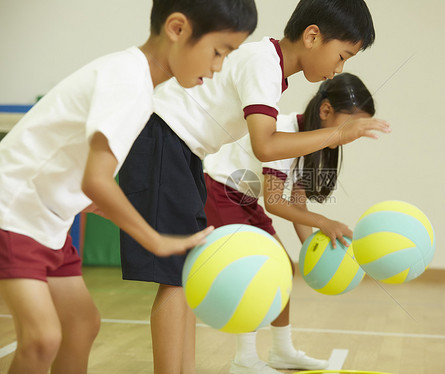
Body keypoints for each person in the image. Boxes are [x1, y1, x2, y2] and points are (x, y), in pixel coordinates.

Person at [120, 1, 390, 373]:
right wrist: (338, 134)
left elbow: (283, 176)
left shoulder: (271, 69)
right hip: (164, 139)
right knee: (175, 280)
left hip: (182, 152)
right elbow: (265, 145)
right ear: (313, 36)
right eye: (341, 56)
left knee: (182, 278)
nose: (337, 70)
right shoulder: (264, 63)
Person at [0, 0, 257, 373]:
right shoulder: (126, 78)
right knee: (42, 339)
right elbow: (97, 178)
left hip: (47, 220)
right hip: (15, 212)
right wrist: (154, 238)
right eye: (218, 52)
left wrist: (84, 200)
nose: (218, 68)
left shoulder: (139, 85)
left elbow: (74, 161)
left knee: (82, 324)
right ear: (177, 29)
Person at [204, 73, 376, 373]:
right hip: (219, 190)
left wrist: (311, 247)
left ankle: (282, 351)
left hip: (242, 197)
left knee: (283, 266)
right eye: (350, 128)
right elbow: (274, 201)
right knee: (253, 273)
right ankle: (244, 360)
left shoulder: (310, 141)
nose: (351, 137)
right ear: (325, 111)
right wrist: (324, 222)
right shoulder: (284, 130)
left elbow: (296, 200)